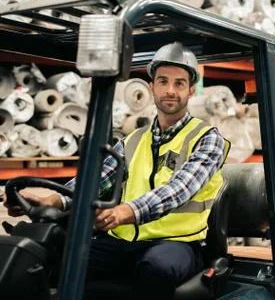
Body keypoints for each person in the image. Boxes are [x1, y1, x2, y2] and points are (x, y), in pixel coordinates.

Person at [4, 42, 230, 299]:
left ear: (191, 91)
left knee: (157, 268)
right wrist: (53, 200)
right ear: (151, 87)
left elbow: (179, 189)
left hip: (177, 243)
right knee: (56, 258)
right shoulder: (132, 140)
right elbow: (97, 179)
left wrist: (126, 211)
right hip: (123, 241)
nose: (170, 90)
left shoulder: (207, 138)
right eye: (163, 81)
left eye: (179, 84)